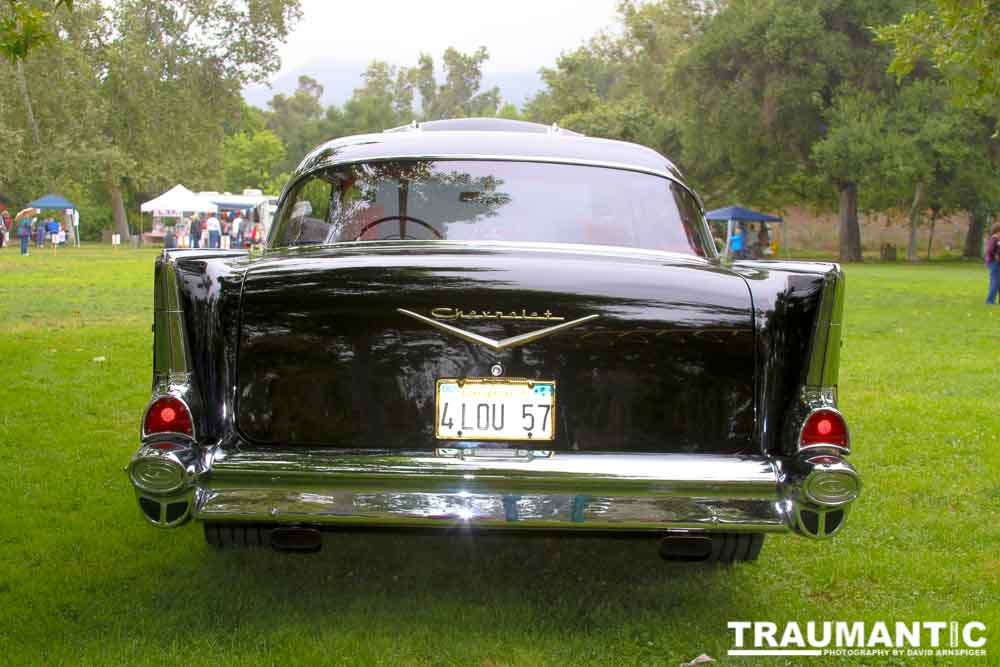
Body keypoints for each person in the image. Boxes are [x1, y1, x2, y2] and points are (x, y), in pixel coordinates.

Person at [986, 223, 1000, 305]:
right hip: (994, 263)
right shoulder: (994, 238)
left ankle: (992, 300)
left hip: (996, 262)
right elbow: (990, 250)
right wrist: (996, 256)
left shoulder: (998, 239)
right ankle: (990, 301)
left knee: (996, 281)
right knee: (995, 281)